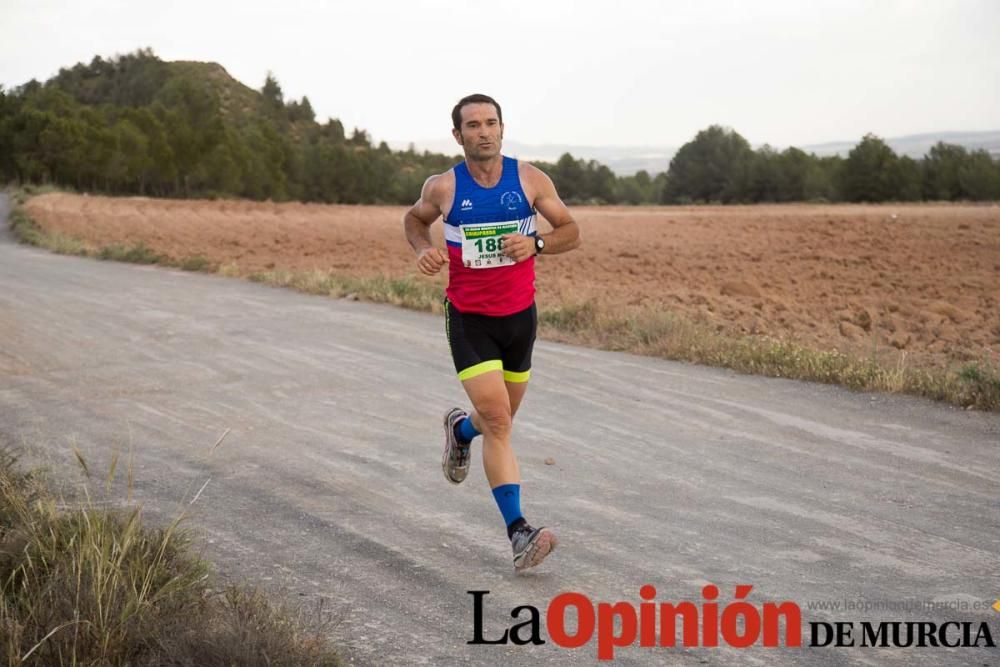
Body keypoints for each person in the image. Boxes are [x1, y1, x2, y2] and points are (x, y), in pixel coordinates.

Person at [403, 94, 581, 571]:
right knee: (499, 422)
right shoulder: (443, 187)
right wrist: (423, 248)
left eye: (491, 123)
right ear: (458, 136)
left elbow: (571, 229)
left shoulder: (530, 179)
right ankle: (519, 531)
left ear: (502, 129)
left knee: (494, 420)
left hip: (520, 318)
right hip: (469, 318)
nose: (484, 131)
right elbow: (415, 220)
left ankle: (460, 431)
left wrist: (536, 242)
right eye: (473, 125)